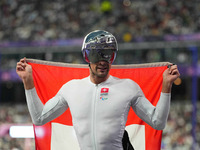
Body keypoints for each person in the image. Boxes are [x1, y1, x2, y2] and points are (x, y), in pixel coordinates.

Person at [16, 30, 180, 150]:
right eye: (97, 55)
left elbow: (158, 123)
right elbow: (39, 118)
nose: (103, 61)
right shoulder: (71, 88)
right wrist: (27, 81)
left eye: (109, 55)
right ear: (87, 57)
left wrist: (166, 86)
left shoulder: (128, 87)